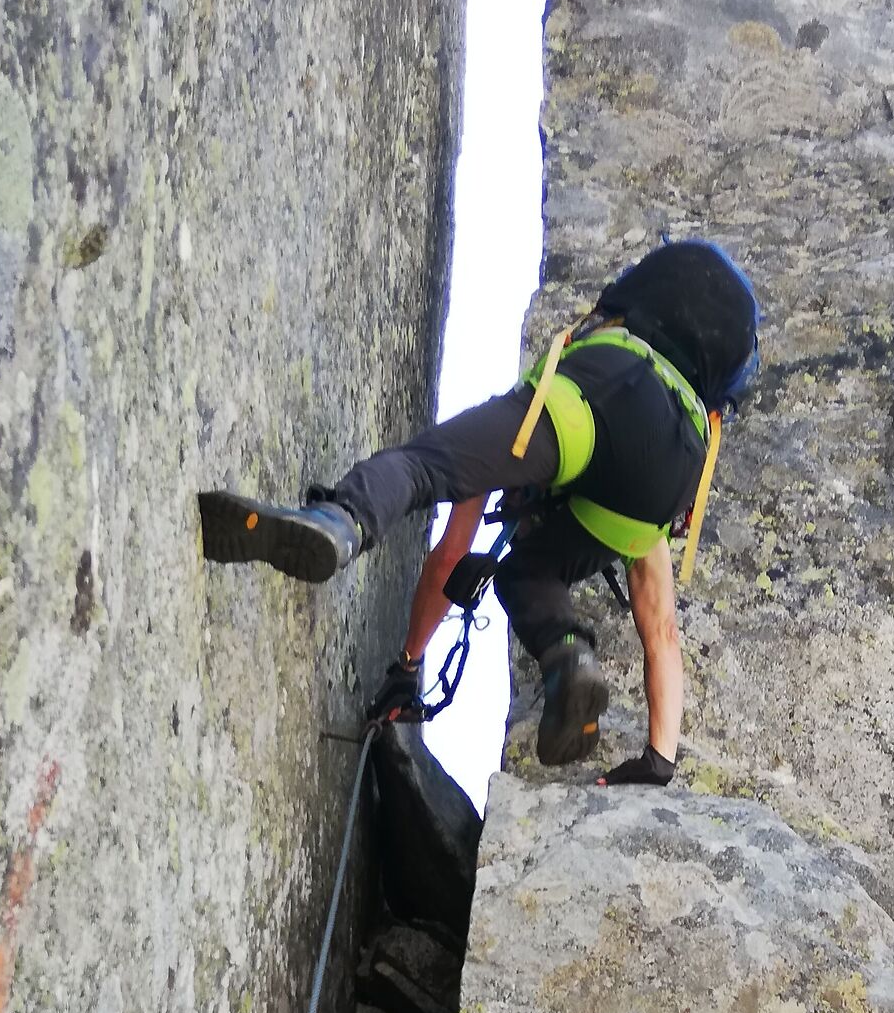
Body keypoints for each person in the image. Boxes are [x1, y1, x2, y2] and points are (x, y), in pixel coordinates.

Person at [199, 240, 758, 783]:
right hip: (670, 474)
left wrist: (409, 665)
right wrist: (658, 761)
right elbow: (661, 632)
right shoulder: (668, 467)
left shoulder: (542, 421)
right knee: (527, 571)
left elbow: (449, 554)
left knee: (423, 467)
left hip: (610, 389)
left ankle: (338, 523)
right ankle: (569, 657)